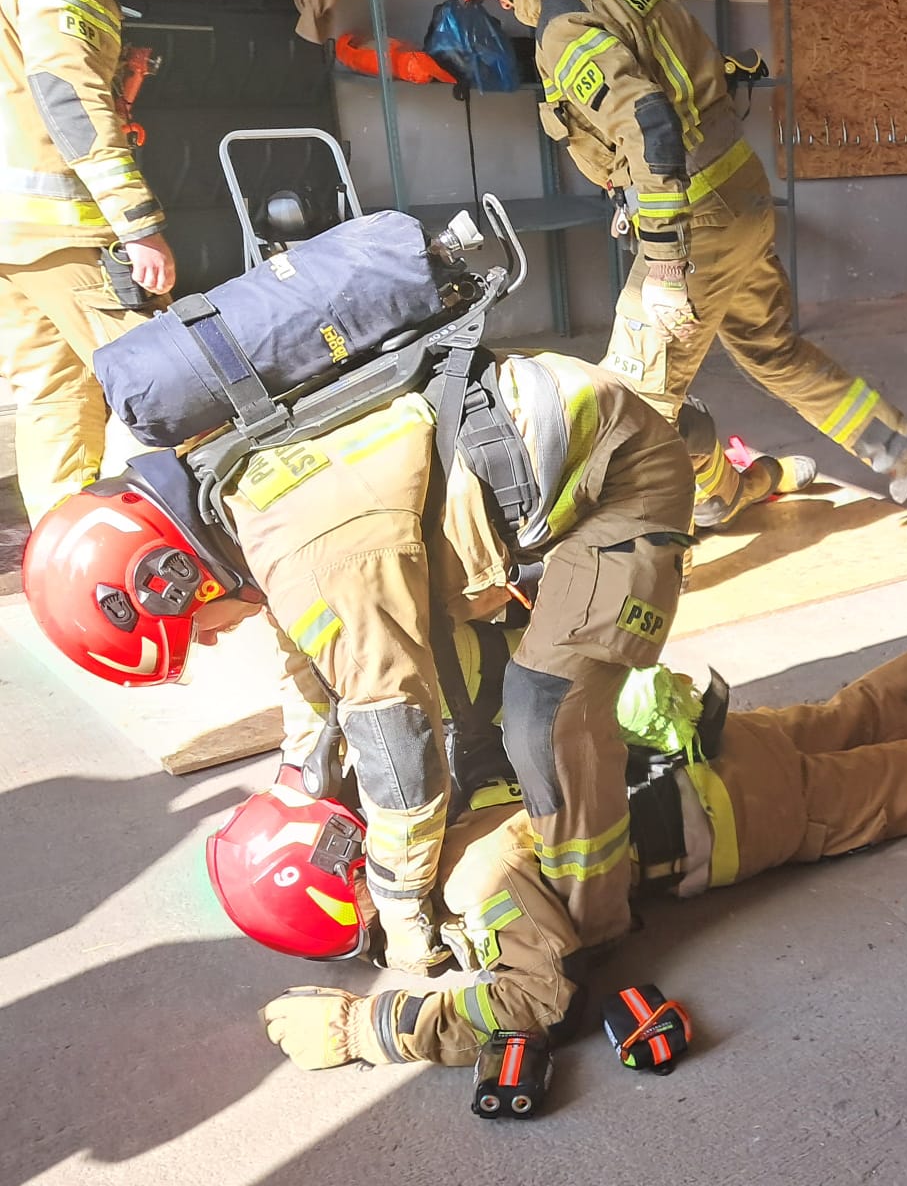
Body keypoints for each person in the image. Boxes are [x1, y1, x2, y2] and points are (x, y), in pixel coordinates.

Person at [236, 604, 907, 1069]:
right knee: (850, 714)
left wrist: (367, 1029)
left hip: (744, 819)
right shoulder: (440, 805)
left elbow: (539, 1001)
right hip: (705, 738)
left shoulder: (474, 886)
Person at [22, 351, 692, 971]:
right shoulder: (236, 507)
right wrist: (300, 777)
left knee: (546, 714)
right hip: (547, 438)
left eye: (195, 633)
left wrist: (400, 910)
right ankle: (580, 772)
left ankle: (591, 929)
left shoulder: (311, 562)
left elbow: (401, 753)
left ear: (179, 582)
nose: (211, 641)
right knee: (443, 676)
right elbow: (311, 666)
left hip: (620, 472)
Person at [455, 0, 907, 514]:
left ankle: (678, 531)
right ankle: (895, 445)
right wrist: (631, 194)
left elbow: (648, 121)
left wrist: (665, 263)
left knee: (632, 402)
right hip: (738, 186)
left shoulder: (562, 26)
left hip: (697, 214)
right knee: (771, 350)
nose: (499, 5)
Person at [0, 0, 173, 523]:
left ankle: (69, 553)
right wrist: (138, 224)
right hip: (65, 231)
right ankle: (168, 537)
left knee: (54, 394)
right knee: (168, 380)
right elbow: (69, 99)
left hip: (12, 237)